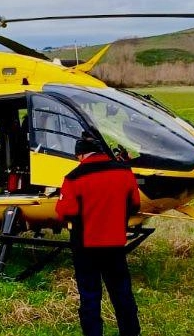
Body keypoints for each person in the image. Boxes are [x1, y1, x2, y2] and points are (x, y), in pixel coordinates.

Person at [55, 136, 142, 336]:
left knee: (90, 295)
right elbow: (135, 204)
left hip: (85, 247)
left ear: (82, 154)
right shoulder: (124, 172)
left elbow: (64, 212)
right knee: (122, 293)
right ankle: (131, 331)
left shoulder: (74, 178)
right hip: (115, 245)